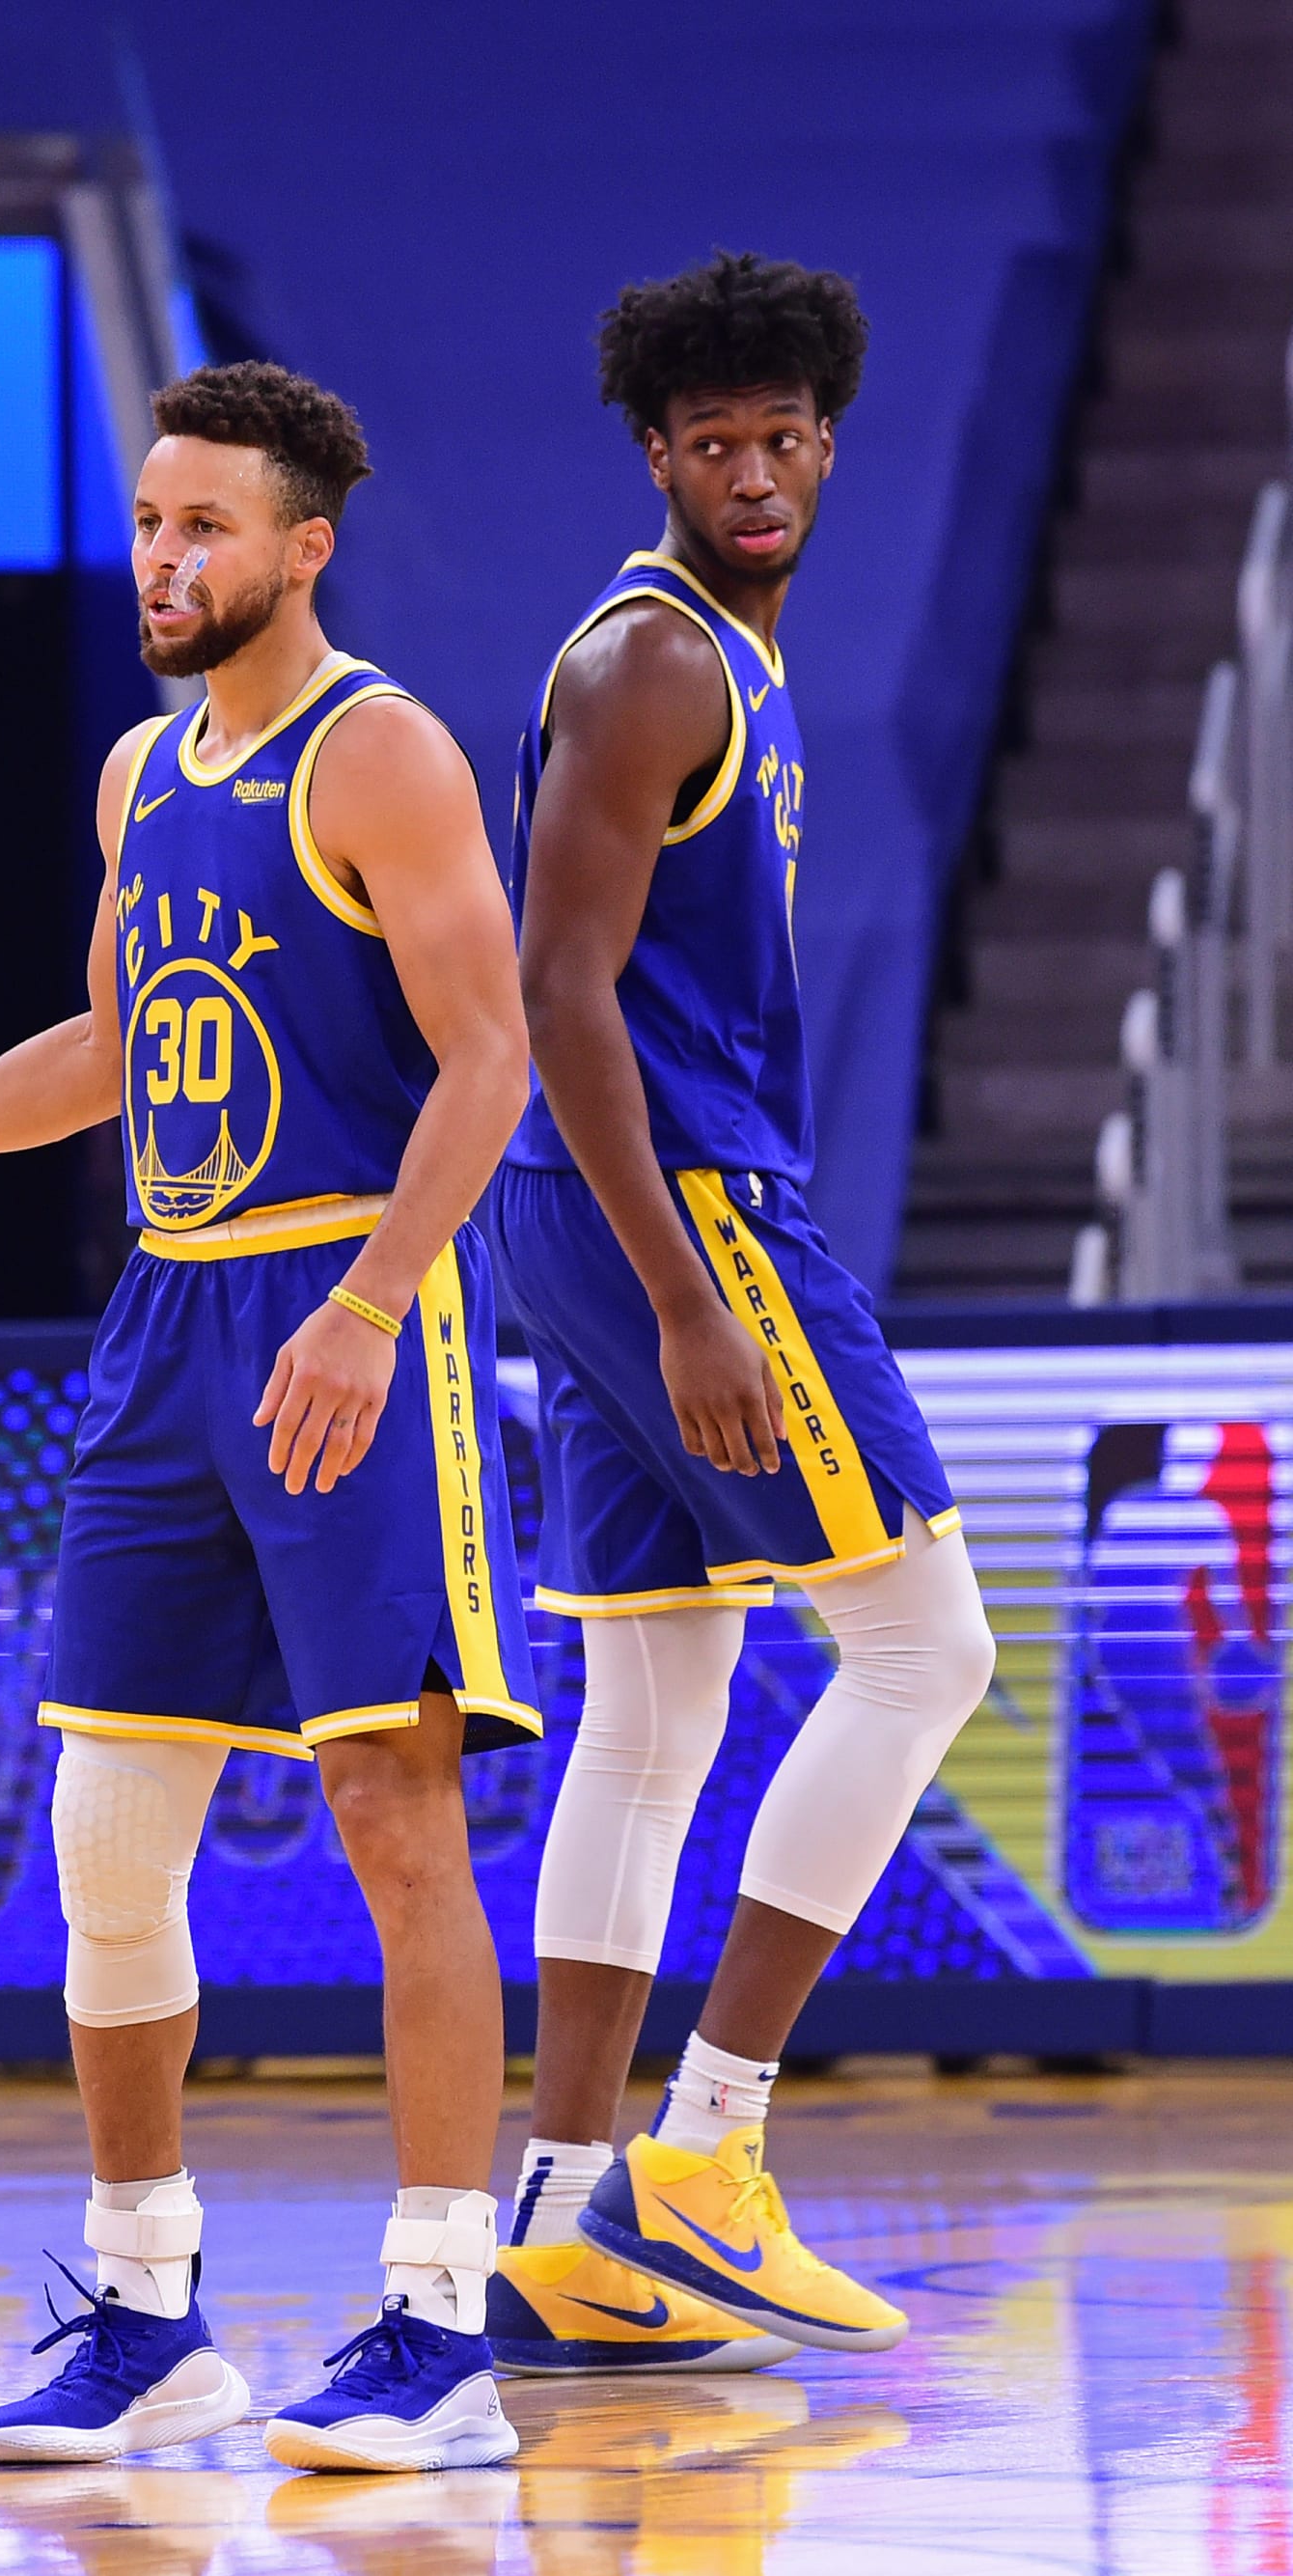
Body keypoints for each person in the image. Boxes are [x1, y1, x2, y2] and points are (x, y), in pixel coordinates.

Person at [0, 362, 538, 2476]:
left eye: (207, 528)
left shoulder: (386, 757)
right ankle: (149, 2305)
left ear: (302, 548)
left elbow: (491, 1063)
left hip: (351, 1294)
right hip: (169, 1321)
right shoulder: (142, 771)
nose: (166, 557)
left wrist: (368, 1307)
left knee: (394, 1822)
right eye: (151, 521)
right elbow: (111, 1035)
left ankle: (440, 2312)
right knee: (106, 1839)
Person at [482, 253, 996, 2374]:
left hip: (585, 1212)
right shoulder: (649, 666)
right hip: (669, 1209)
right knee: (927, 1643)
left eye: (786, 437)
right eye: (716, 443)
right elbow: (555, 990)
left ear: (829, 442)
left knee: (660, 1709)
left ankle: (570, 2206)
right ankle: (718, 2144)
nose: (757, 470)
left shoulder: (732, 661)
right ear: (657, 455)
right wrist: (692, 1298)